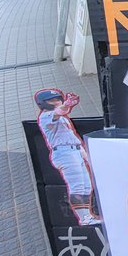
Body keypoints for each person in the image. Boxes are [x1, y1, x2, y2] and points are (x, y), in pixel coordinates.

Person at [34, 89, 100, 225]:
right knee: (77, 185)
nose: (56, 102)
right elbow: (59, 112)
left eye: (58, 99)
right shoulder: (45, 116)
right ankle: (84, 218)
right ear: (43, 103)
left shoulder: (62, 118)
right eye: (52, 100)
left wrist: (85, 155)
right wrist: (67, 105)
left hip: (74, 150)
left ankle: (87, 216)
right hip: (64, 153)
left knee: (86, 186)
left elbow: (71, 136)